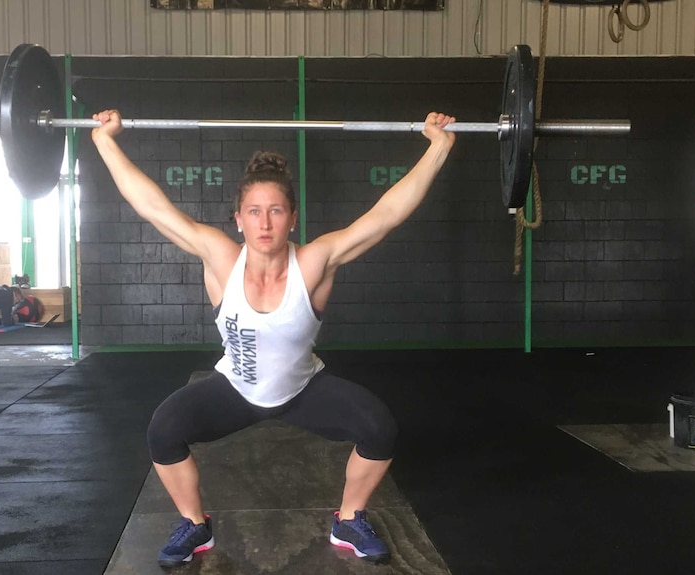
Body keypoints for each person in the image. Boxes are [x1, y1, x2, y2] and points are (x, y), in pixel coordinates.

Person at [91, 108, 456, 568]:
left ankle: (348, 519)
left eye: (276, 211)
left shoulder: (315, 262)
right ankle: (193, 524)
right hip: (235, 389)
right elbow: (153, 207)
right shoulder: (221, 257)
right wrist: (105, 141)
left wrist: (438, 147)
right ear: (239, 219)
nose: (265, 223)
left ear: (292, 219)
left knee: (380, 428)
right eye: (255, 212)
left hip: (304, 390)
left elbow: (385, 216)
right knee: (163, 430)